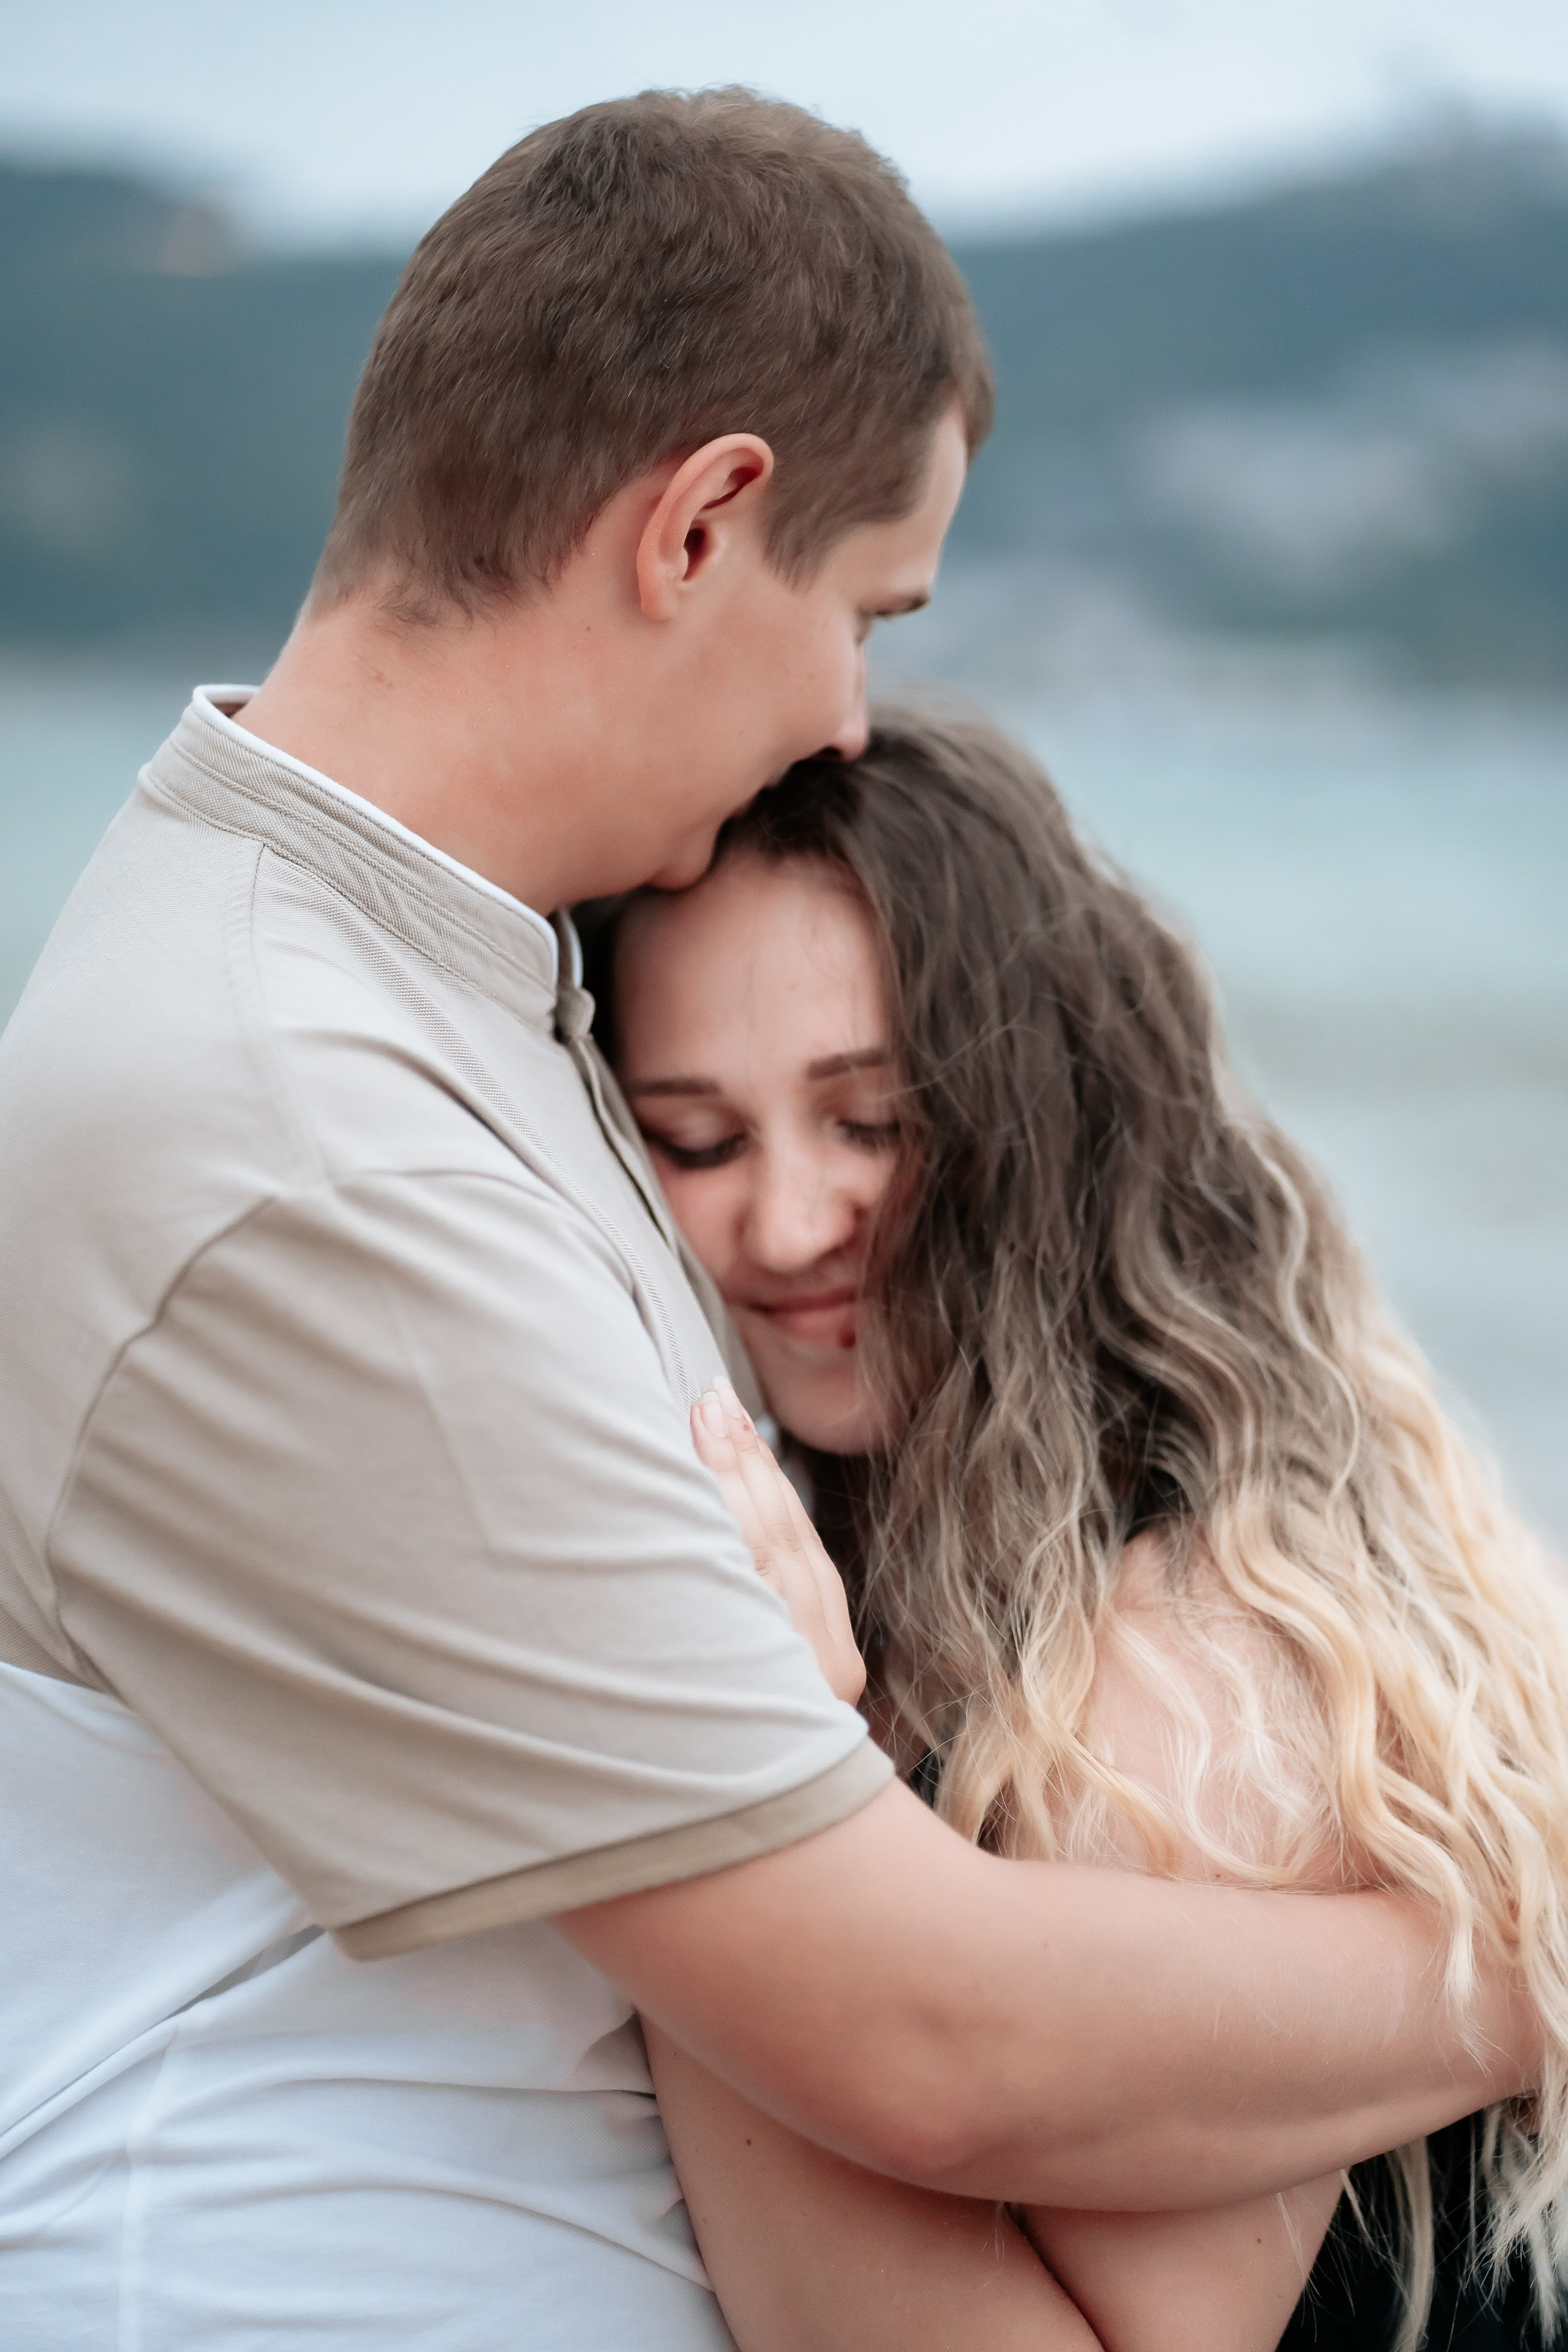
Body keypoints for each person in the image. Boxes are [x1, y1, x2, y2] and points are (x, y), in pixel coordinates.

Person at [0, 92, 1537, 2352]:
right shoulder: (316, 1128)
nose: (851, 705)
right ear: (706, 525)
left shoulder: (453, 991)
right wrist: (1518, 1964)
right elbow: (926, 2038)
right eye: (871, 609)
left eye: (869, 1117)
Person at [594, 708, 1568, 2352]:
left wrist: (735, 1753)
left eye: (871, 1121)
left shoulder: (1182, 1663)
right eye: (696, 1141)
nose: (784, 1220)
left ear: (1041, 1116)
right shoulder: (910, 1561)